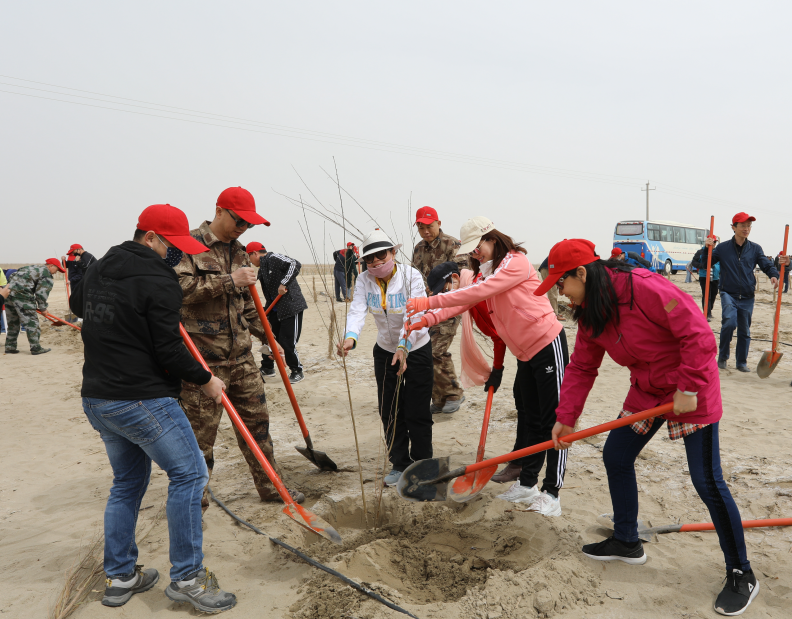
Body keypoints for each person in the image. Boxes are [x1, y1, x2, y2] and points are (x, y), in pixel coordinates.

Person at [544, 239, 759, 617]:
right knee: (616, 455)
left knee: (706, 481)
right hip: (648, 391)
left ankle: (742, 572)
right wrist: (566, 416)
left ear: (581, 273)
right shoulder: (592, 311)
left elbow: (698, 334)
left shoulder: (643, 288)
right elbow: (582, 366)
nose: (560, 294)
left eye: (561, 284)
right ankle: (627, 541)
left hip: (691, 388)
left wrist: (688, 387)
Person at [69, 204, 236, 612]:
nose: (174, 254)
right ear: (149, 237)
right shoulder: (160, 279)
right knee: (190, 474)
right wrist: (207, 380)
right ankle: (188, 578)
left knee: (127, 483)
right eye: (171, 246)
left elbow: (77, 307)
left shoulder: (99, 266)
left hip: (97, 399)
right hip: (140, 399)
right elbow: (170, 350)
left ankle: (121, 576)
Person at [406, 217, 568, 516]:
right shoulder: (486, 272)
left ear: (492, 238)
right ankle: (528, 483)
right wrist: (427, 319)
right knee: (531, 419)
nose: (475, 253)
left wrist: (428, 303)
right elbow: (463, 303)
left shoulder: (515, 262)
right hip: (525, 355)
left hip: (547, 344)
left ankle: (552, 493)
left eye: (477, 246)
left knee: (554, 420)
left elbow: (475, 294)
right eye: (471, 249)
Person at [176, 186, 304, 510]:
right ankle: (194, 500)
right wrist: (229, 280)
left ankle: (271, 487)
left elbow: (247, 305)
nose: (243, 228)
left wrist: (268, 337)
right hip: (204, 363)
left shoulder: (240, 252)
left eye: (249, 224)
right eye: (239, 221)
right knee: (200, 438)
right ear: (219, 211)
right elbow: (177, 290)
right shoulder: (186, 245)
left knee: (258, 428)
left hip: (242, 359)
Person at [337, 229, 433, 488]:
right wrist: (350, 337)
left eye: (382, 255)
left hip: (416, 348)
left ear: (393, 253)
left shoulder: (411, 276)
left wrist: (405, 345)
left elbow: (415, 315)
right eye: (370, 259)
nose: (376, 262)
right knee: (389, 409)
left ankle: (422, 464)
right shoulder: (364, 280)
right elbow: (357, 309)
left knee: (417, 410)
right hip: (385, 351)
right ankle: (399, 463)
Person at [705, 212, 785, 372]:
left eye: (749, 226)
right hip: (728, 292)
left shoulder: (755, 248)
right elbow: (702, 263)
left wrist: (774, 275)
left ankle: (741, 362)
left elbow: (766, 264)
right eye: (742, 225)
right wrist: (706, 248)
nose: (746, 229)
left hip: (747, 296)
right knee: (729, 323)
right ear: (733, 227)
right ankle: (723, 357)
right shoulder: (722, 248)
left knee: (745, 330)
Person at [411, 206, 469, 414]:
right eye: (421, 228)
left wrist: (441, 290)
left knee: (436, 351)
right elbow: (414, 276)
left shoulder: (453, 245)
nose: (426, 231)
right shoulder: (418, 248)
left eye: (429, 226)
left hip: (449, 306)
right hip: (426, 308)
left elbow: (462, 275)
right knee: (425, 352)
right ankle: (439, 399)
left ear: (439, 223)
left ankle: (454, 394)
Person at [255, 247, 308, 383]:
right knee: (269, 338)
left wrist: (283, 283)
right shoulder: (262, 269)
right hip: (274, 308)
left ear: (254, 253)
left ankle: (297, 370)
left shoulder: (273, 258)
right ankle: (267, 367)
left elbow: (295, 264)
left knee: (286, 342)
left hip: (290, 307)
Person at [1, 258, 65, 355]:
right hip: (23, 296)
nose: (56, 272)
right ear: (51, 266)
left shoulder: (30, 267)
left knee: (13, 322)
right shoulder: (46, 274)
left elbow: (13, 275)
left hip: (8, 294)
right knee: (32, 322)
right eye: (57, 269)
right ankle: (36, 348)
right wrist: (43, 308)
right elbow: (41, 293)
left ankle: (10, 347)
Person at [691, 238, 721, 320]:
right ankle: (707, 313)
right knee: (706, 294)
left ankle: (709, 310)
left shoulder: (717, 252)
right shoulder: (701, 252)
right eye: (712, 242)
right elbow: (694, 262)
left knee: (714, 294)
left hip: (715, 277)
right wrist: (703, 266)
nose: (714, 243)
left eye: (715, 242)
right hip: (704, 277)